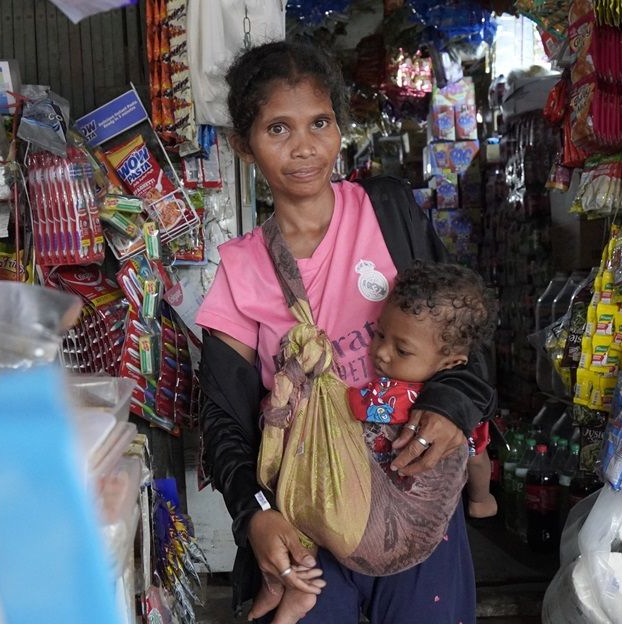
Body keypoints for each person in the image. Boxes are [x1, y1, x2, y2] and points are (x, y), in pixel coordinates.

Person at [197, 40, 497, 624]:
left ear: (340, 125)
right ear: (243, 145)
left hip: (414, 496)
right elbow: (224, 419)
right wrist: (253, 513)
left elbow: (462, 329)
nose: (304, 147)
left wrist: (452, 407)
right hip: (306, 511)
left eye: (319, 123)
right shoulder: (240, 269)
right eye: (277, 129)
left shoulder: (387, 213)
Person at [248, 262, 499, 624]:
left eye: (403, 350)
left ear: (453, 361)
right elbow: (477, 458)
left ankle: (291, 592)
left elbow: (350, 405)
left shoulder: (387, 395)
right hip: (417, 524)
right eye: (380, 336)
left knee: (304, 510)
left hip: (365, 508)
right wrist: (480, 497)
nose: (381, 353)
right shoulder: (454, 416)